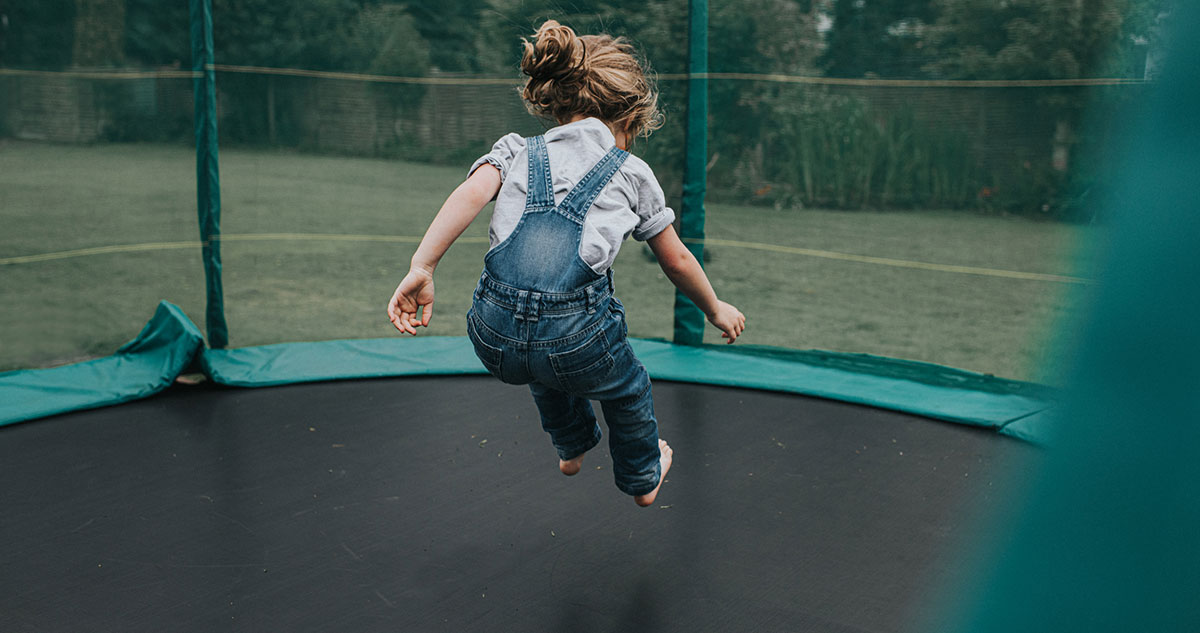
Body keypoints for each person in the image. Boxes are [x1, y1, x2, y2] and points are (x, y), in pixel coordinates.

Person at [386, 19, 745, 507]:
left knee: (540, 361)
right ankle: (643, 478)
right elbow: (678, 260)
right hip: (576, 339)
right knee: (626, 387)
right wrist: (714, 307)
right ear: (627, 119)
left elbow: (469, 194)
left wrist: (422, 267)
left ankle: (572, 446)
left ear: (560, 102)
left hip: (493, 336)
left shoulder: (516, 150)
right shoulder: (632, 172)